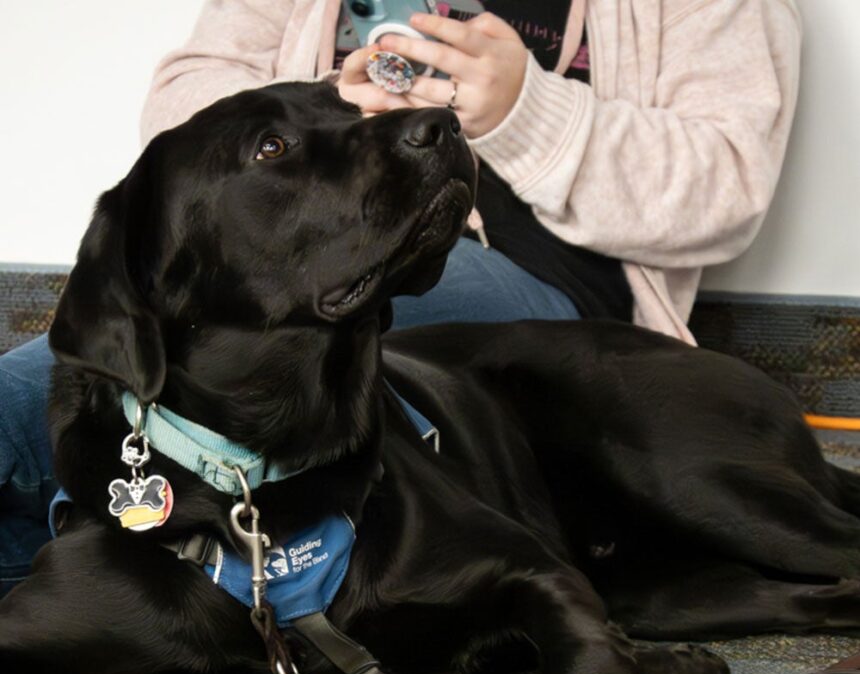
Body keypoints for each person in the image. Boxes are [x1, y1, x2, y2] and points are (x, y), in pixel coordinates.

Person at [0, 0, 801, 596]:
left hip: (528, 285)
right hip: (330, 246)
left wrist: (526, 113)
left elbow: (727, 182)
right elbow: (179, 113)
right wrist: (323, 110)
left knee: (83, 392)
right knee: (69, 386)